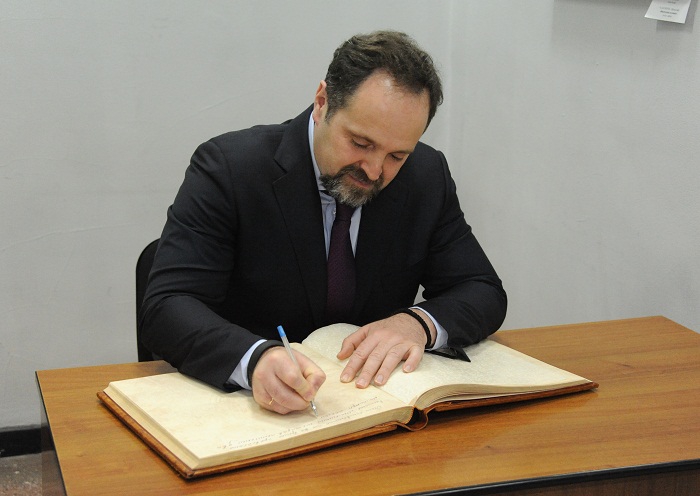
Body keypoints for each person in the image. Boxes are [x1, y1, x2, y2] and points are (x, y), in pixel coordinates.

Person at [140, 30, 507, 415]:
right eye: (361, 143)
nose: (374, 170)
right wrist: (255, 359)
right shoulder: (230, 169)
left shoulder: (425, 176)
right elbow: (166, 306)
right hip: (251, 410)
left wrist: (416, 323)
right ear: (321, 102)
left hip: (374, 408)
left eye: (397, 155)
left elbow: (481, 288)